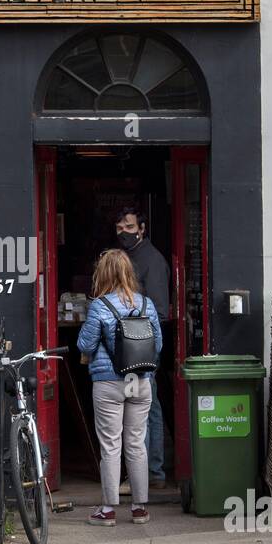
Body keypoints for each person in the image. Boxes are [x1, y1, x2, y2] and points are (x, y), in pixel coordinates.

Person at [77, 249, 163, 526]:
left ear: (102, 274)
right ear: (129, 273)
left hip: (108, 383)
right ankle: (139, 509)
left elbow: (85, 345)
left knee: (111, 446)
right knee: (137, 443)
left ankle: (108, 510)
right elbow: (157, 346)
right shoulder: (146, 305)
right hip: (140, 382)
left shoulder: (100, 306)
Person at [113, 206, 171, 491]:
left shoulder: (152, 261)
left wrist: (131, 323)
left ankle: (150, 472)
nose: (124, 232)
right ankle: (150, 471)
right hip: (132, 343)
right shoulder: (126, 257)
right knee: (147, 407)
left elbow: (160, 311)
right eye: (120, 227)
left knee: (144, 408)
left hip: (143, 345)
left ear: (142, 228)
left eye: (129, 226)